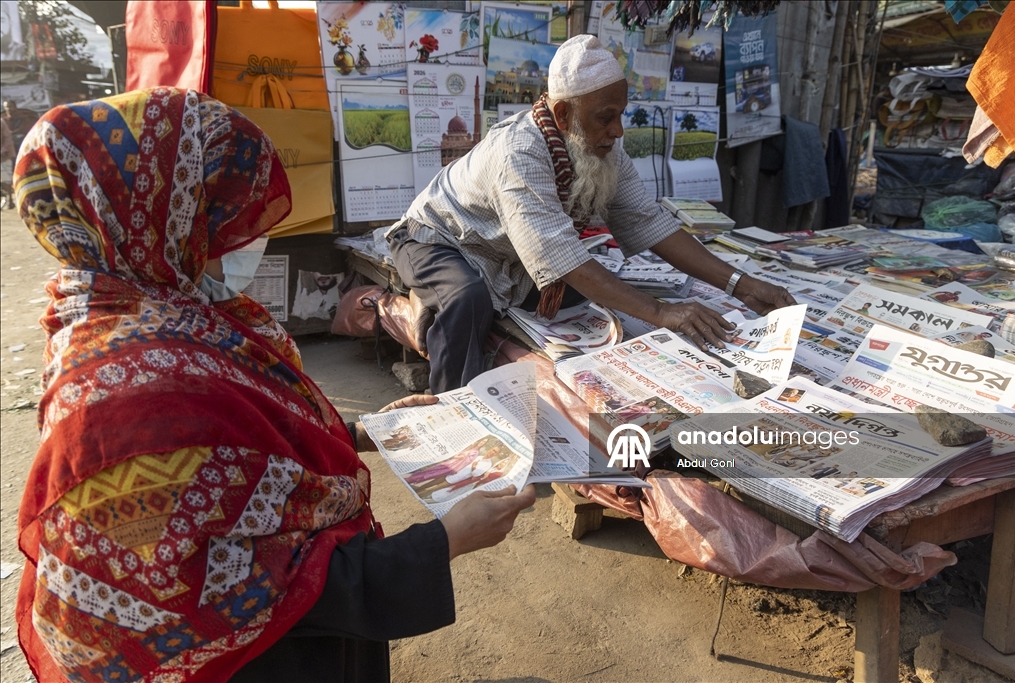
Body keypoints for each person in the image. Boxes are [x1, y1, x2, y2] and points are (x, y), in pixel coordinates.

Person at [13, 88, 535, 683]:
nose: (244, 240)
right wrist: (440, 542)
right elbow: (244, 590)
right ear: (158, 220)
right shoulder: (133, 395)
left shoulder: (151, 312)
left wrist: (365, 432)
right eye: (220, 216)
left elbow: (245, 443)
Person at [389, 34, 795, 394]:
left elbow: (647, 221)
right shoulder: (519, 152)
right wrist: (660, 312)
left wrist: (740, 284)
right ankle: (450, 414)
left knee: (590, 292)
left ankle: (439, 300)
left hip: (504, 257)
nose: (618, 131)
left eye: (621, 115)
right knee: (468, 298)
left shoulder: (603, 145)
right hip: (437, 239)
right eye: (606, 117)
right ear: (563, 114)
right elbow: (561, 258)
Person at [1, 116, 13, 208]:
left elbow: (8, 138)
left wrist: (3, 151)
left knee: (7, 179)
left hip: (4, 155)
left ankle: (10, 200)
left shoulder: (1, 122)